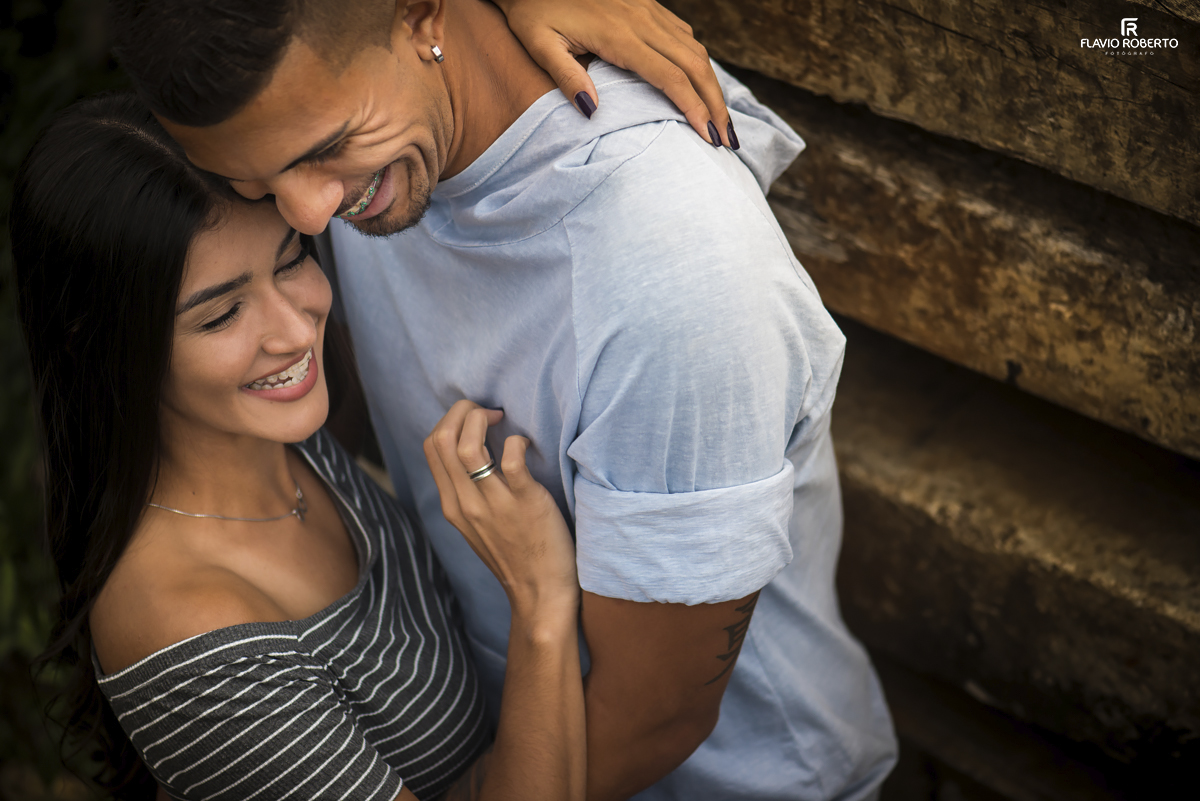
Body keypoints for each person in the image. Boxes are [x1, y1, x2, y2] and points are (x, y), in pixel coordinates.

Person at [109, 0, 900, 798]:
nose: (308, 215)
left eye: (328, 149)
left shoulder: (673, 277)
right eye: (256, 181)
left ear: (422, 18)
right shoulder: (367, 120)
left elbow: (655, 716)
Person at [11, 91, 595, 801]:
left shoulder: (288, 439)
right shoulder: (192, 632)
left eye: (291, 260)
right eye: (222, 313)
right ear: (101, 348)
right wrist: (540, 606)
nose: (295, 328)